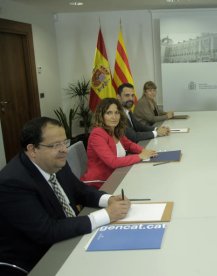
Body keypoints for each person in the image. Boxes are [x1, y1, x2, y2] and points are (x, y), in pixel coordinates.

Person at [0, 117, 131, 273]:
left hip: (71, 236)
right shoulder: (12, 183)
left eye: (64, 142)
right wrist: (106, 215)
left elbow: (79, 190)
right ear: (32, 149)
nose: (64, 149)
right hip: (40, 258)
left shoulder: (56, 161)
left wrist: (109, 199)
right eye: (55, 145)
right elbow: (47, 231)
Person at [81, 98, 157, 189]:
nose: (114, 117)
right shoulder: (97, 134)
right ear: (101, 116)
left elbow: (129, 144)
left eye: (116, 113)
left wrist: (144, 150)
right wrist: (140, 156)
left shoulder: (115, 130)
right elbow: (113, 162)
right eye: (109, 113)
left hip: (116, 174)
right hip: (100, 183)